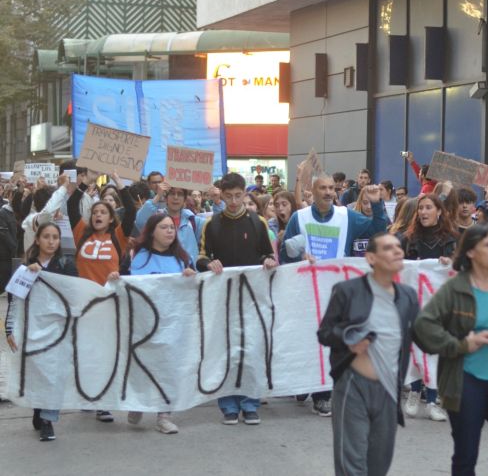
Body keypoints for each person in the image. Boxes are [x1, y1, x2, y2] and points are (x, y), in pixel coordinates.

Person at [414, 224, 488, 475]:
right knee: (466, 455)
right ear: (470, 252)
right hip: (466, 380)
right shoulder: (455, 288)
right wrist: (460, 345)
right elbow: (423, 326)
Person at [280, 173, 388, 416]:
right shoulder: (300, 217)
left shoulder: (346, 216)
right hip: (305, 289)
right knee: (306, 339)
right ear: (314, 191)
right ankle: (304, 382)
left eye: (331, 188)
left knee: (329, 342)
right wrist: (298, 254)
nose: (329, 192)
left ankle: (322, 394)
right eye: (323, 188)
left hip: (336, 291)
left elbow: (378, 229)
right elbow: (285, 252)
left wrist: (377, 203)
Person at [318, 232, 419, 476]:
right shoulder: (347, 291)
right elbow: (325, 333)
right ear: (371, 257)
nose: (397, 251)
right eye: (388, 248)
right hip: (354, 384)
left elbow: (422, 335)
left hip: (389, 389)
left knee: (379, 462)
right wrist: (348, 340)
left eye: (398, 247)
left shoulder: (408, 296)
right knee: (352, 463)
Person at [197, 173, 277, 425]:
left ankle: (250, 403)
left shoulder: (258, 221)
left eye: (238, 195)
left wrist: (267, 260)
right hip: (222, 299)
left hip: (252, 299)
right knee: (226, 352)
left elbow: (268, 254)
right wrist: (209, 262)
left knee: (251, 350)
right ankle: (228, 405)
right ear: (221, 194)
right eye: (228, 196)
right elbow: (200, 257)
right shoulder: (212, 224)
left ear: (244, 193)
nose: (233, 201)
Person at [67, 170, 137, 423]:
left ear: (110, 219)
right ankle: (88, 394)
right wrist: (85, 181)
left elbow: (131, 210)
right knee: (87, 352)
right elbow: (72, 204)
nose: (98, 215)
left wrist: (119, 184)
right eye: (95, 212)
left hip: (110, 303)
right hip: (85, 304)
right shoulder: (80, 233)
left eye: (103, 213)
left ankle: (103, 402)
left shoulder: (118, 237)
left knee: (107, 352)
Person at [119, 214, 197, 434]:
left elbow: (196, 289)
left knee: (168, 368)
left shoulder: (183, 258)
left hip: (173, 325)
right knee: (141, 365)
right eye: (164, 227)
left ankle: (163, 415)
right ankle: (138, 402)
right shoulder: (135, 256)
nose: (170, 231)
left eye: (172, 227)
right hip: (143, 324)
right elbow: (123, 283)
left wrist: (192, 276)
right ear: (152, 231)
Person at [4, 222, 78, 441]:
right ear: (37, 239)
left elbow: (73, 293)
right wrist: (10, 329)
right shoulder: (25, 266)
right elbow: (14, 299)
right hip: (32, 330)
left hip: (58, 330)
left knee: (54, 374)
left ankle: (47, 419)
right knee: (37, 373)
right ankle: (38, 409)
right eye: (46, 236)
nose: (51, 241)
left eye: (55, 237)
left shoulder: (66, 264)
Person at [400, 194, 457, 422]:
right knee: (415, 351)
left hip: (439, 307)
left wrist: (451, 263)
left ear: (439, 211)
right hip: (414, 304)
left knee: (434, 352)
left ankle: (433, 401)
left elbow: (462, 265)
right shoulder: (408, 238)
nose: (423, 212)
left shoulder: (452, 238)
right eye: (420, 208)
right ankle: (414, 391)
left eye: (428, 208)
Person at [135, 182, 205, 264]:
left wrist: (217, 202)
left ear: (185, 200)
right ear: (165, 198)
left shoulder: (193, 221)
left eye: (180, 194)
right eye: (172, 193)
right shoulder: (156, 219)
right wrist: (158, 196)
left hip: (190, 274)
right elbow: (140, 222)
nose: (175, 197)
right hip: (165, 273)